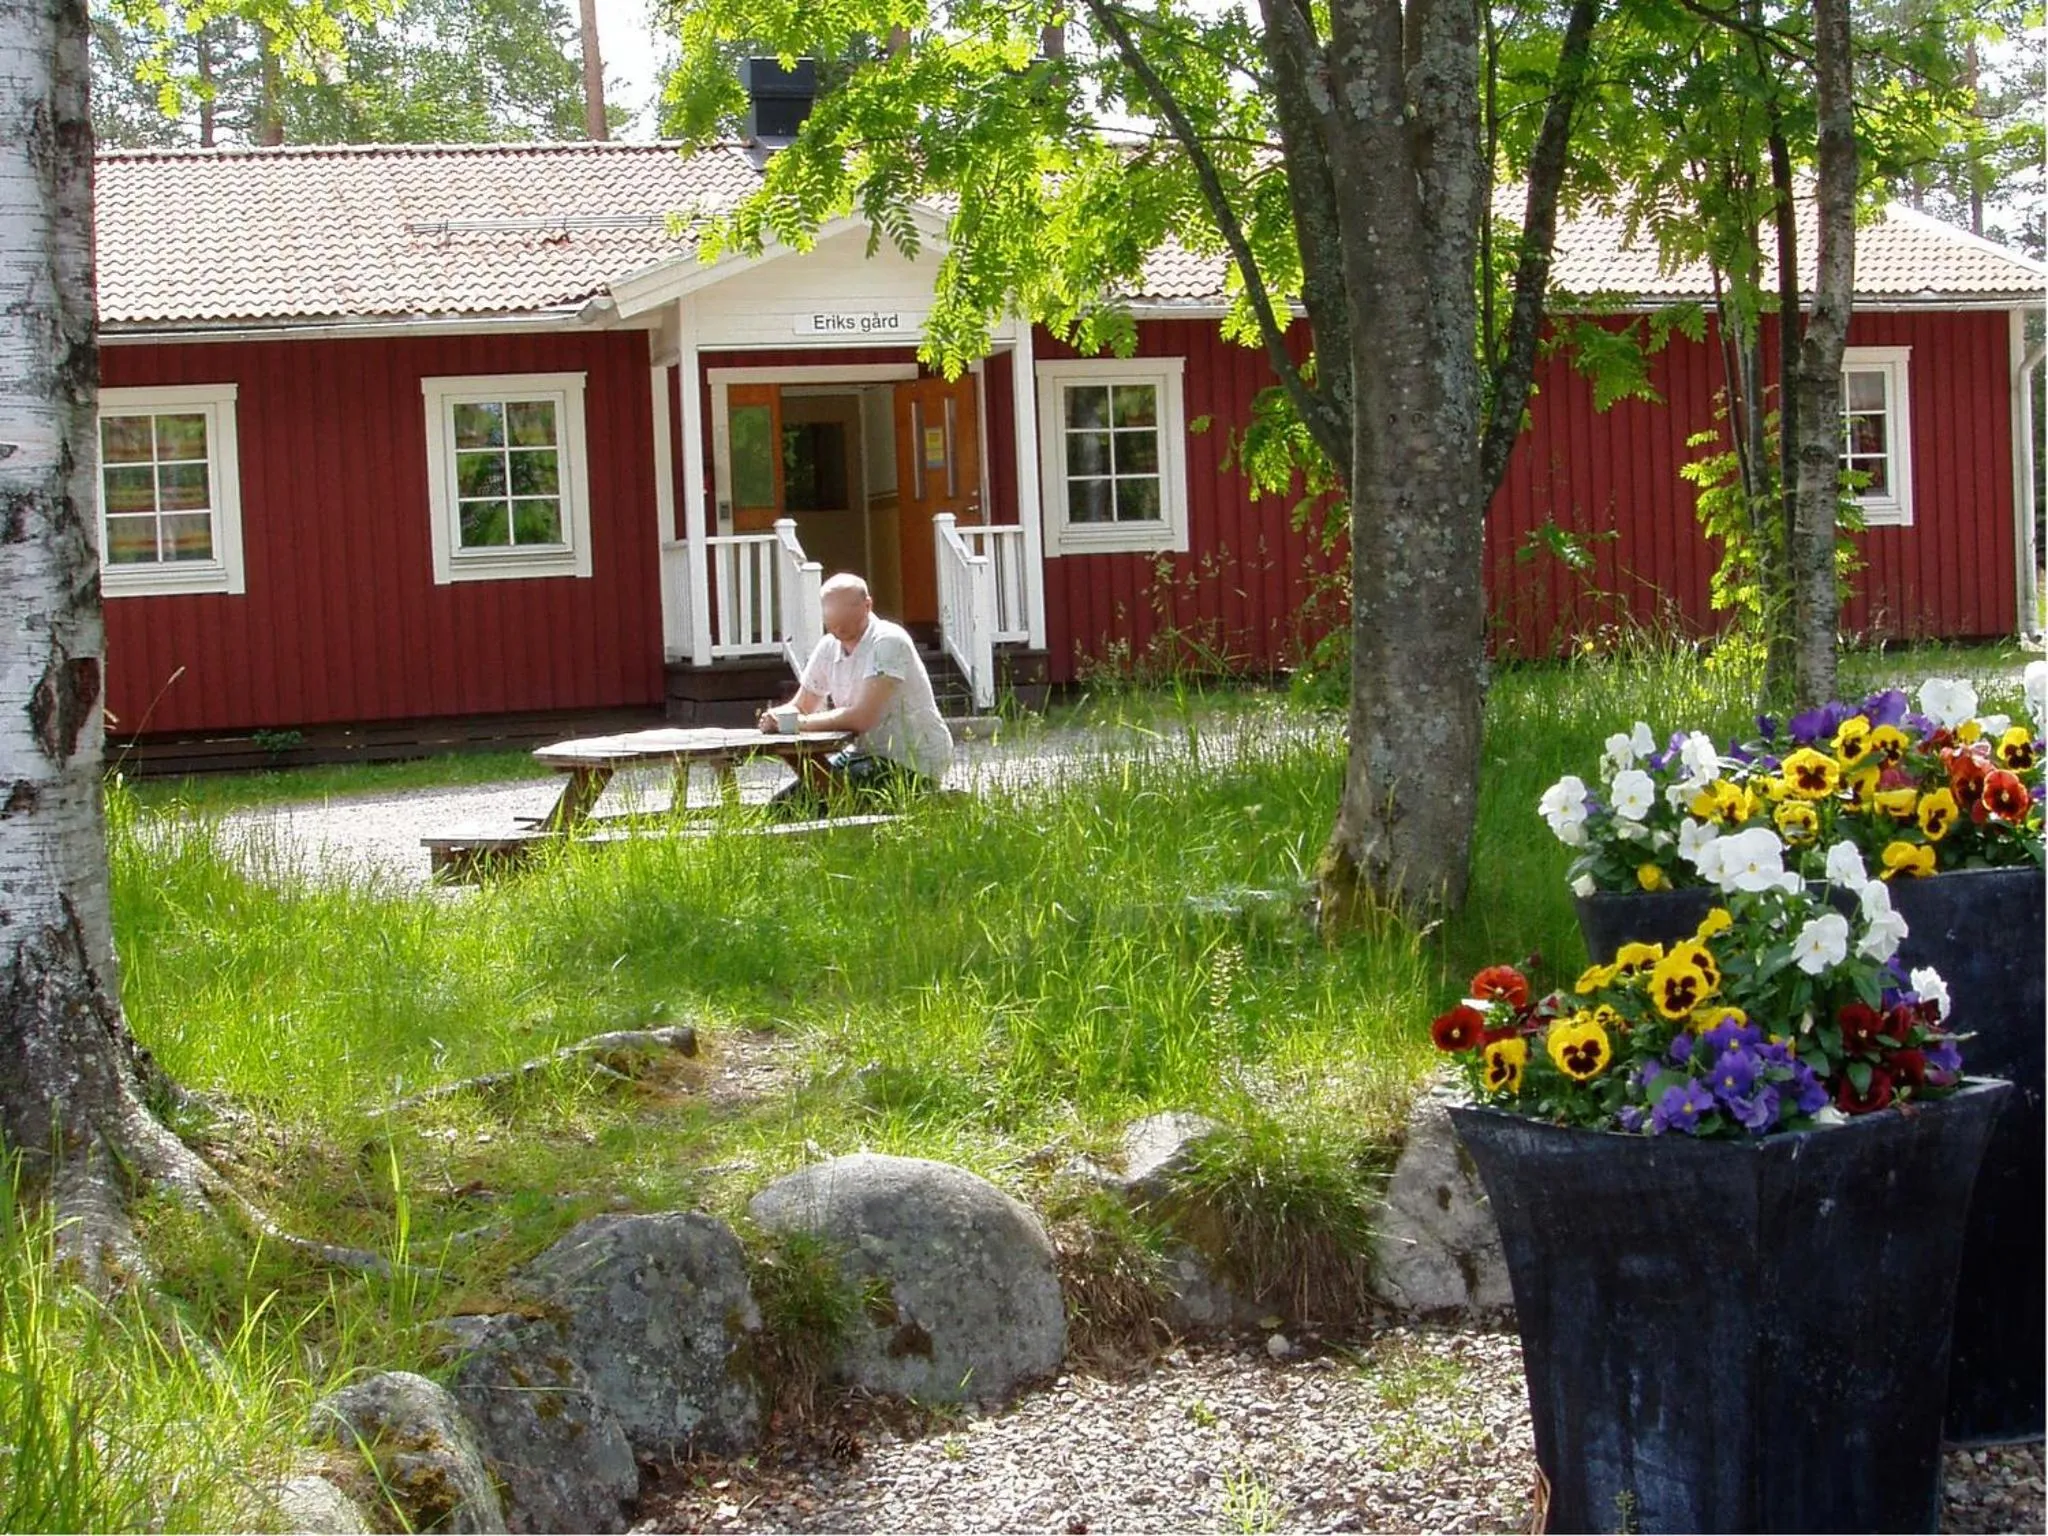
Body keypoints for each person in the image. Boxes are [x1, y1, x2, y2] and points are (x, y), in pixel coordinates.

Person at [759, 573, 954, 816]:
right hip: (860, 755)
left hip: (909, 760)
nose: (840, 631)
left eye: (847, 624)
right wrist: (777, 717)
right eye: (833, 625)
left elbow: (862, 718)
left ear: (867, 606)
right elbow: (802, 705)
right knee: (783, 808)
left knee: (828, 803)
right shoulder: (828, 646)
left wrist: (799, 723)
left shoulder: (888, 641)